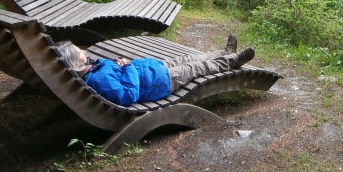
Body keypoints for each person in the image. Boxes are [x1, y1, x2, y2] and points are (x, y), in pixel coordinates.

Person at [54, 35, 255, 106]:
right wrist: (128, 67)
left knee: (189, 58)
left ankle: (225, 52)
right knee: (197, 68)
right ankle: (233, 61)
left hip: (152, 71)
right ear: (75, 61)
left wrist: (121, 64)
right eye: (78, 51)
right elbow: (129, 94)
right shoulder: (98, 80)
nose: (83, 50)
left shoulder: (92, 68)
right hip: (159, 83)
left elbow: (117, 69)